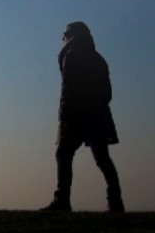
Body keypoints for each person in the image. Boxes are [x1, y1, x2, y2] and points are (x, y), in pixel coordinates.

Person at [41, 21, 124, 213]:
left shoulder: (70, 56)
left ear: (72, 36)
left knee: (64, 154)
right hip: (98, 114)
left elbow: (67, 89)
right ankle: (115, 201)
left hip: (75, 114)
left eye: (65, 34)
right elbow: (107, 93)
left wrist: (64, 115)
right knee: (102, 158)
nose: (63, 38)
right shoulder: (98, 59)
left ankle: (62, 200)